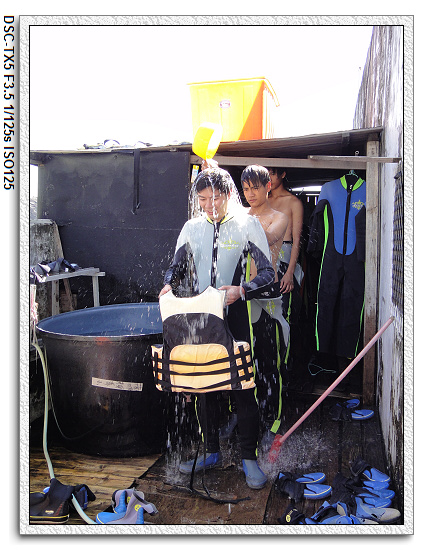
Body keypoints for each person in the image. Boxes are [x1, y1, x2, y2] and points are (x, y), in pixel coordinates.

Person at [159, 165, 275, 490]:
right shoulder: (191, 228)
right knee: (204, 385)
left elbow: (269, 275)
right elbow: (174, 269)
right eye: (203, 199)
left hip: (236, 316)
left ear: (227, 195)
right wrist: (168, 285)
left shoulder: (247, 224)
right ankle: (210, 451)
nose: (210, 205)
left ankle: (249, 457)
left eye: (215, 198)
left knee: (243, 387)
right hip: (202, 318)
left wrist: (242, 290)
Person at [240, 165, 289, 435]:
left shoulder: (279, 217)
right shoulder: (239, 215)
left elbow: (264, 239)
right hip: (242, 298)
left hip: (267, 299)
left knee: (270, 362)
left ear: (268, 186)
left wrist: (238, 220)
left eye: (255, 188)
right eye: (246, 189)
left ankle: (273, 417)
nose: (250, 194)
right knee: (242, 360)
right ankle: (243, 415)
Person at [267, 167, 304, 384]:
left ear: (282, 174)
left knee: (285, 318)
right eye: (267, 174)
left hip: (285, 260)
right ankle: (269, 370)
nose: (270, 178)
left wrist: (290, 273)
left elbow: (297, 240)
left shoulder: (293, 202)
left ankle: (285, 374)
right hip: (264, 264)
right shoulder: (262, 200)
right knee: (266, 318)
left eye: (273, 173)